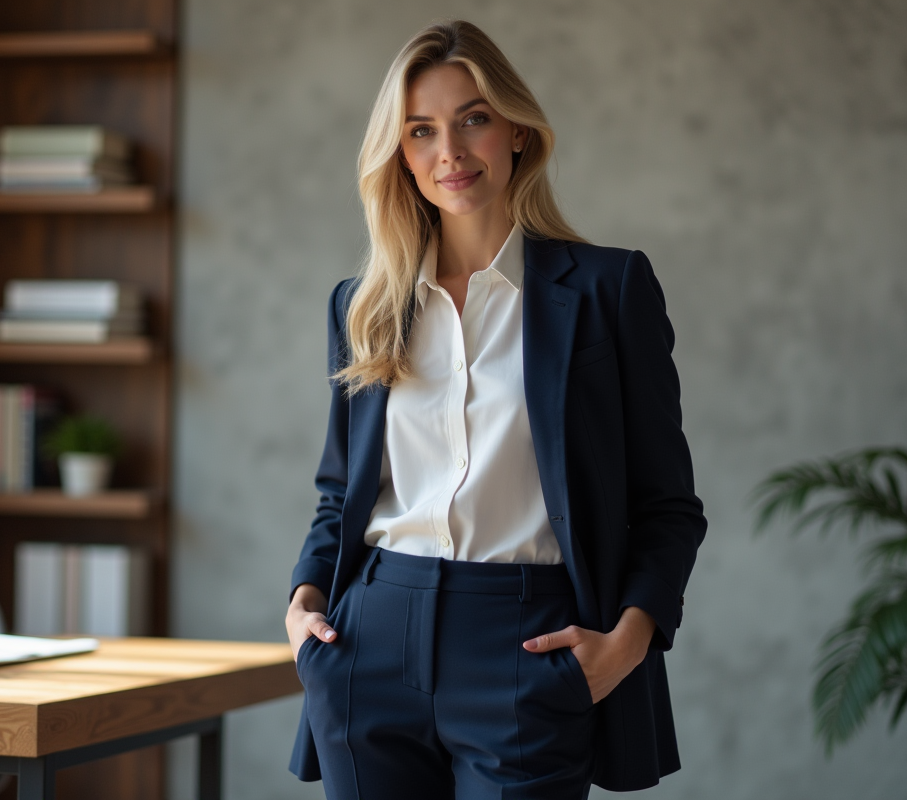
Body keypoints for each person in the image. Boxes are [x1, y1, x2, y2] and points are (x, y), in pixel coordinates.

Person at [285, 19, 706, 800]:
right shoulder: (364, 307)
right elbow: (341, 491)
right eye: (422, 131)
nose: (450, 150)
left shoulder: (608, 293)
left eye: (472, 118)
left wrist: (626, 645)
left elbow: (668, 505)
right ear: (401, 157)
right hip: (369, 638)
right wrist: (304, 604)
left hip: (526, 641)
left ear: (516, 130)